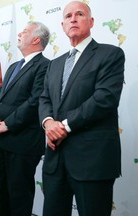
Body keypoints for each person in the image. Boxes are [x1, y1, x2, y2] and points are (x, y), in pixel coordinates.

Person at [38, 1, 125, 216]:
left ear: (91, 21)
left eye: (79, 14)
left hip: (92, 161)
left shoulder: (110, 54)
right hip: (55, 160)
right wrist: (48, 123)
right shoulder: (54, 63)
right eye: (68, 16)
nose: (73, 19)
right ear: (63, 24)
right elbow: (44, 98)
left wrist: (64, 127)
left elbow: (104, 99)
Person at [0, 21, 50, 216]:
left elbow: (35, 101)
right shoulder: (14, 65)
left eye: (24, 32)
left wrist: (8, 124)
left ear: (36, 39)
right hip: (0, 138)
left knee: (19, 195)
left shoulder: (45, 65)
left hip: (23, 141)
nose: (19, 35)